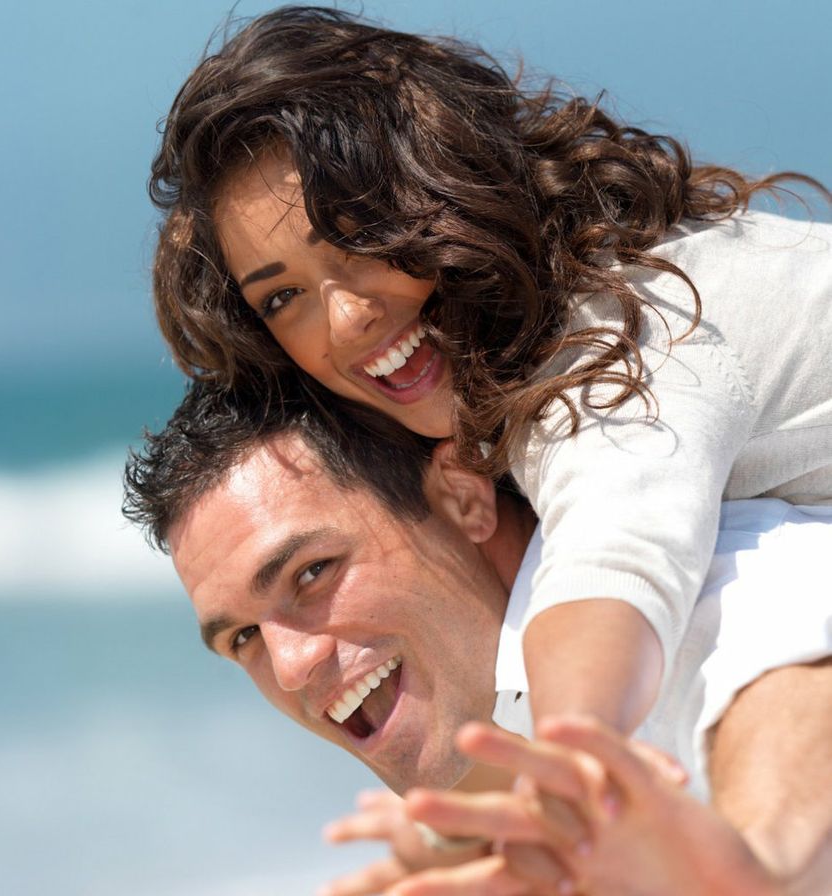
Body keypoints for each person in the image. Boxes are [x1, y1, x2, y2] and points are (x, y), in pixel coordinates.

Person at [148, 6, 832, 747]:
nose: (344, 320)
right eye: (283, 298)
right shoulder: (569, 314)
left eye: (358, 236)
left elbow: (613, 569)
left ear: (445, 178)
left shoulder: (620, 337)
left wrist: (573, 761)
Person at [123, 379, 832, 895]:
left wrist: (757, 864)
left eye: (312, 573)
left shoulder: (675, 584)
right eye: (243, 636)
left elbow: (783, 672)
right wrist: (460, 840)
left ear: (462, 498)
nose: (290, 664)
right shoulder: (509, 700)